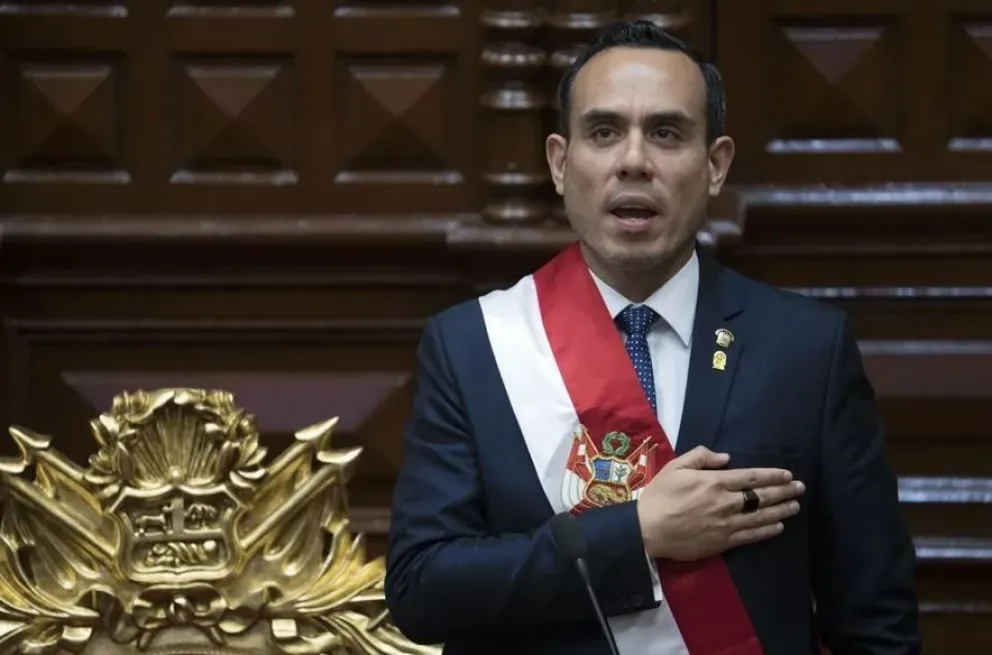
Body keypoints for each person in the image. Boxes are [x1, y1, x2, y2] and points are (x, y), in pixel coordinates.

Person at [383, 20, 920, 655]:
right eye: (604, 132)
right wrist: (635, 534)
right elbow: (424, 590)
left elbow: (875, 620)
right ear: (560, 164)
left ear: (715, 165)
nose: (634, 161)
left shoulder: (806, 350)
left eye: (665, 133)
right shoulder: (473, 347)